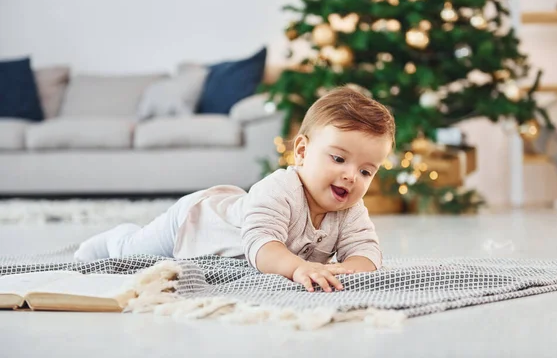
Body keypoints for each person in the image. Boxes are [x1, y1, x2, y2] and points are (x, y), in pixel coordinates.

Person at [74, 86, 396, 292]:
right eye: (339, 158)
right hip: (193, 223)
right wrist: (300, 267)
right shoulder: (281, 188)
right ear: (301, 152)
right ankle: (115, 239)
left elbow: (366, 250)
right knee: (135, 254)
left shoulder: (350, 209)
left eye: (366, 170)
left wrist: (346, 269)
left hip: (222, 228)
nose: (351, 176)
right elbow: (262, 244)